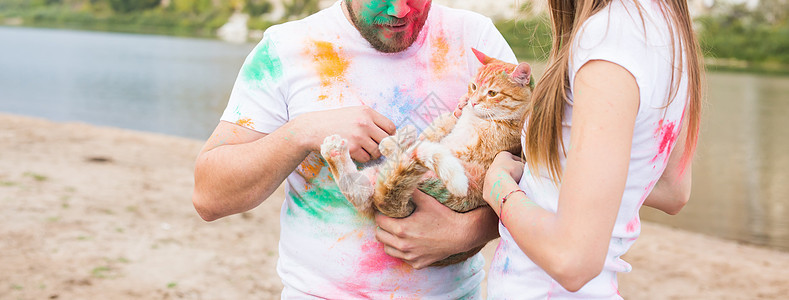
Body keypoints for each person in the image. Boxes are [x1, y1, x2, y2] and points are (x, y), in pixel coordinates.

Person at [192, 0, 517, 297]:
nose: (401, 10)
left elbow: (543, 182)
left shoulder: (475, 38)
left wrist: (470, 231)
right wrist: (303, 130)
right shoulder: (286, 48)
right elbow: (210, 197)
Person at [478, 0, 704, 297]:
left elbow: (572, 259)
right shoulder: (664, 26)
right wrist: (544, 174)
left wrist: (498, 185)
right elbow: (672, 188)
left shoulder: (608, 38)